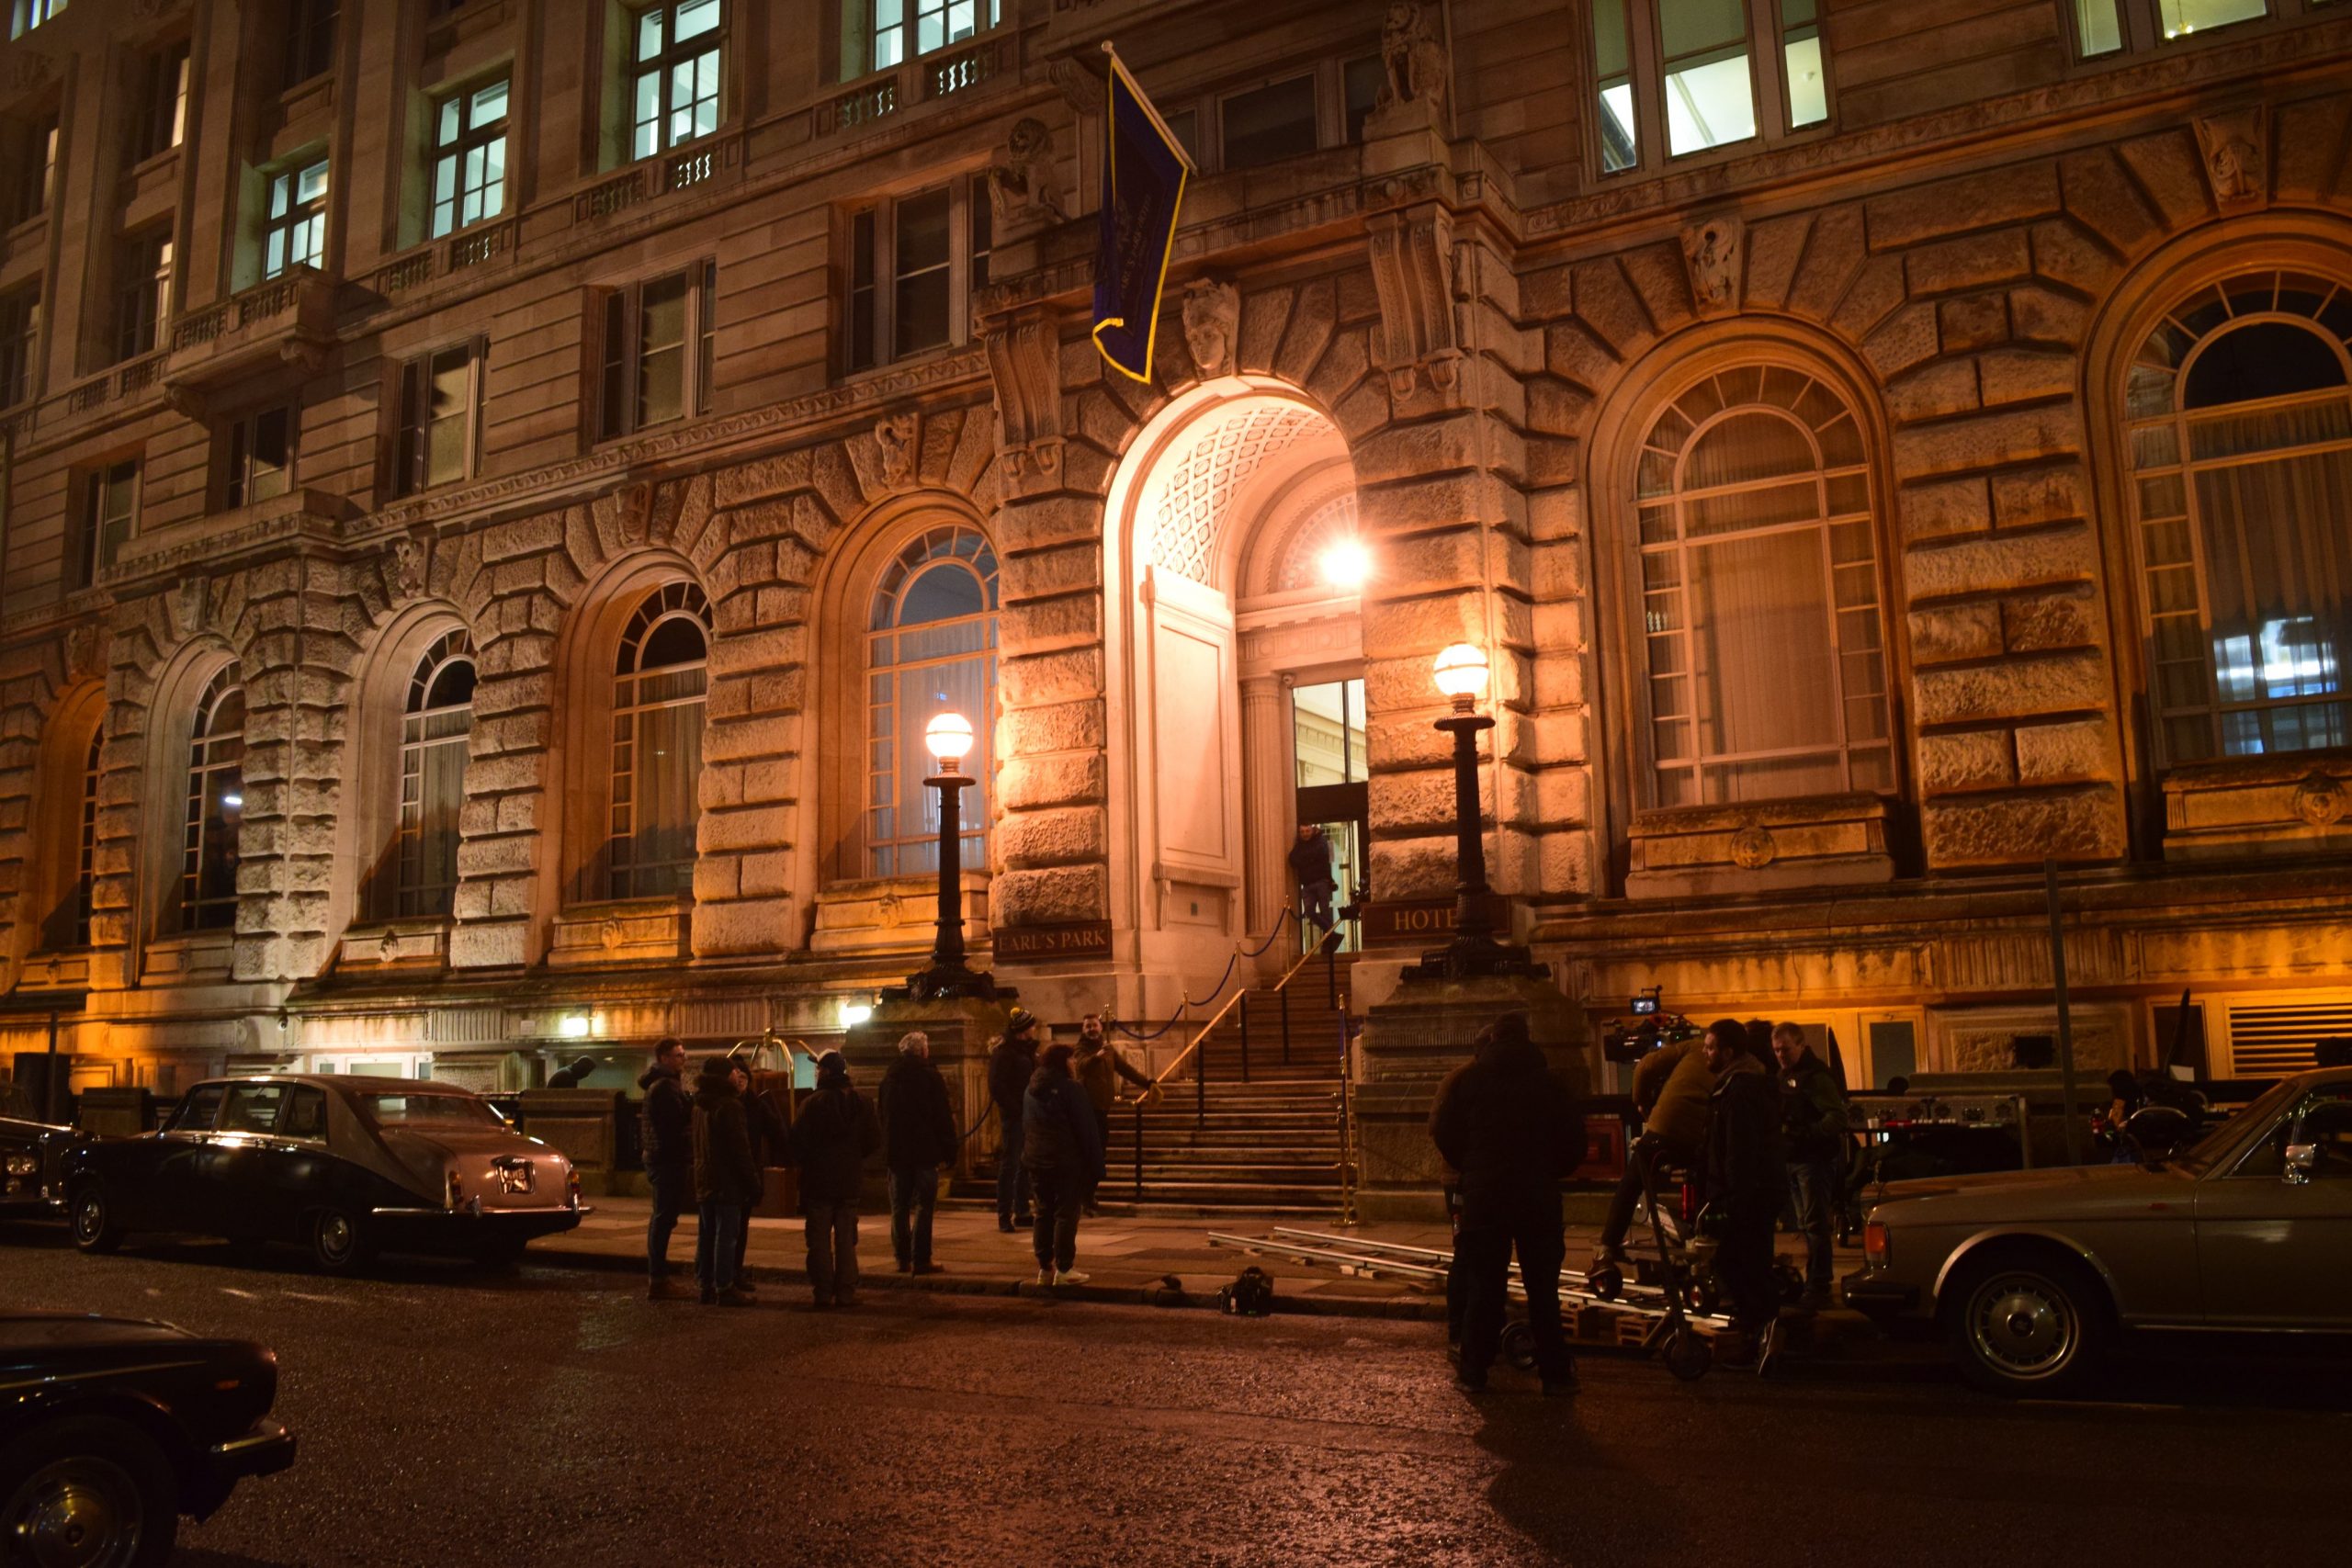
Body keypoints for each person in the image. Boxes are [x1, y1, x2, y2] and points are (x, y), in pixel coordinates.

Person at [1428, 1012, 1582, 1397]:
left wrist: (1472, 1165)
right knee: (1543, 1289)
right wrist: (1550, 1170)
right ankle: (1555, 1374)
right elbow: (1575, 1140)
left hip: (1486, 1195)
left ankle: (1474, 1371)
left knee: (1485, 1285)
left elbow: (1444, 1131)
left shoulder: (1470, 1080)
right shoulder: (1550, 1083)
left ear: (1494, 1039)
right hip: (1537, 1193)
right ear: (1527, 1038)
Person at [1591, 1027, 1713, 1276]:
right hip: (1704, 1138)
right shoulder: (1745, 1064)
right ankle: (1700, 1236)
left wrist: (1642, 1103)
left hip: (1665, 1128)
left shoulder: (1693, 1047)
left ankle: (1608, 1246)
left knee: (1632, 1183)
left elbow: (1646, 1066)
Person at [1699, 1020, 1785, 1369]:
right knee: (1747, 1266)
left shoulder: (1740, 1091)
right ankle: (1759, 1337)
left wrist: (1733, 1198)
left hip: (1747, 1196)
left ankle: (1765, 1336)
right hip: (1752, 1192)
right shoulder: (1739, 1085)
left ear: (1728, 1052)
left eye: (1710, 1047)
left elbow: (1739, 1151)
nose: (1705, 1053)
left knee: (1741, 1266)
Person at [1770, 1022, 1846, 1311]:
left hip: (1813, 1160)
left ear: (1801, 1045)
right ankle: (1814, 1282)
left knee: (1814, 1225)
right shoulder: (1785, 1076)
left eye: (1785, 1049)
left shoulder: (1815, 1078)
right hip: (1795, 1159)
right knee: (1806, 1225)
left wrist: (1806, 1134)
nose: (1781, 1055)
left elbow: (1837, 1118)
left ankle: (1819, 1285)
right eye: (1777, 1050)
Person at [1021, 1042, 1104, 1287]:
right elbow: (1086, 1129)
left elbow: (1027, 1124)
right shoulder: (1071, 1089)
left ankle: (1045, 1268)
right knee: (1066, 1213)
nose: (1075, 1063)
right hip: (1065, 1161)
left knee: (1043, 1212)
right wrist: (1096, 1166)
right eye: (1071, 1059)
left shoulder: (1031, 1089)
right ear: (1062, 1062)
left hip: (1037, 1160)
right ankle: (1065, 1268)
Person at [877, 1031, 958, 1275]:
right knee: (925, 1205)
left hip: (897, 1152)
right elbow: (942, 1116)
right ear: (923, 1051)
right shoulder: (929, 1076)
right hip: (924, 1151)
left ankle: (902, 1258)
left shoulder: (889, 1078)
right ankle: (922, 1258)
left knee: (899, 1206)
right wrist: (949, 1148)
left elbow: (882, 1116)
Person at [690, 1055, 759, 1306]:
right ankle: (725, 1286)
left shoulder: (699, 1105)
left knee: (707, 1234)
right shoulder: (729, 1106)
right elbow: (740, 1149)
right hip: (727, 1181)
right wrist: (752, 1182)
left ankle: (706, 1284)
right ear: (724, 1076)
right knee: (727, 1235)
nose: (736, 1075)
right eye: (732, 1072)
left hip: (705, 1178)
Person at [1072, 1013, 1153, 1214]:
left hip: (1102, 1109)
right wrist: (1096, 1057)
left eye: (1094, 1025)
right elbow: (1081, 1065)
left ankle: (1088, 1194)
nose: (1092, 1029)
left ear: (1100, 1027)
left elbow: (1124, 1069)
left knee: (1100, 1153)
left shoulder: (1107, 1049)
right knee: (1090, 1154)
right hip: (1087, 1109)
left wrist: (1147, 1083)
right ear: (1083, 1029)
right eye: (1088, 1026)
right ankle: (1084, 1197)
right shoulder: (1081, 1048)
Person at [727, 1053, 789, 1296]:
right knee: (725, 1229)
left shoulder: (755, 1104)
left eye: (744, 1076)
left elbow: (777, 1133)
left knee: (741, 1227)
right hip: (726, 1174)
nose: (741, 1080)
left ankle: (735, 1272)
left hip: (748, 1171)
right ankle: (721, 1277)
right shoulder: (721, 1104)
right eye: (737, 1076)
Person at [639, 1037, 694, 1300]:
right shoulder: (664, 1088)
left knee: (663, 1218)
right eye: (678, 1055)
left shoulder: (666, 1084)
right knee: (662, 1218)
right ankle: (658, 1279)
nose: (683, 1059)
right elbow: (672, 1126)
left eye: (683, 1054)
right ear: (663, 1058)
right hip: (667, 1160)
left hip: (663, 1158)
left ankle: (658, 1277)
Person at [988, 1008, 1042, 1233]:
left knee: (1024, 1164)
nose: (1035, 1028)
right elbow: (997, 1086)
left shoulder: (1027, 1051)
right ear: (1023, 1029)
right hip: (1014, 1116)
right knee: (1010, 1165)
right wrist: (1016, 1109)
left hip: (1029, 1114)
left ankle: (1022, 1211)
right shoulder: (1005, 1053)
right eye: (1031, 1025)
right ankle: (1004, 1214)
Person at [1288, 823, 1337, 931]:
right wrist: (1310, 859)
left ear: (1312, 830)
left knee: (1325, 912)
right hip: (1307, 885)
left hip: (1322, 882)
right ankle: (1331, 933)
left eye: (1307, 831)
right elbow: (1292, 859)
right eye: (1302, 832)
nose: (1305, 834)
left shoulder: (1321, 840)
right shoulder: (1299, 845)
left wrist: (1303, 860)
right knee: (1309, 912)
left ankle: (1329, 937)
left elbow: (1318, 853)